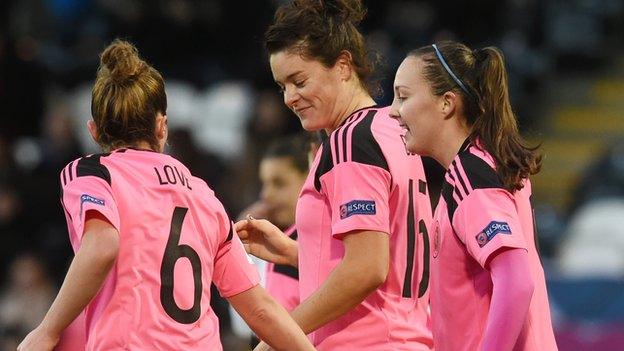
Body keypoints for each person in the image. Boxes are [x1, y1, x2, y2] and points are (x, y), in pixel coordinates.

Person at [17, 39, 314, 351]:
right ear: (162, 127)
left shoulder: (91, 173)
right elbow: (260, 309)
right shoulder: (204, 195)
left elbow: (102, 245)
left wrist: (46, 330)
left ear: (93, 131)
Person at [235, 1, 434, 350]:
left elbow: (367, 267)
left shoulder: (350, 141)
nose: (289, 98)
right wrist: (298, 252)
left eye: (299, 81)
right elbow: (388, 256)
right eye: (282, 86)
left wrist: (280, 334)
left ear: (342, 66)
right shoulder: (392, 127)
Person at [389, 40, 558, 350]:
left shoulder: (473, 175)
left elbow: (517, 283)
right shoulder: (475, 168)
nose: (393, 111)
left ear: (446, 103)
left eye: (403, 97)